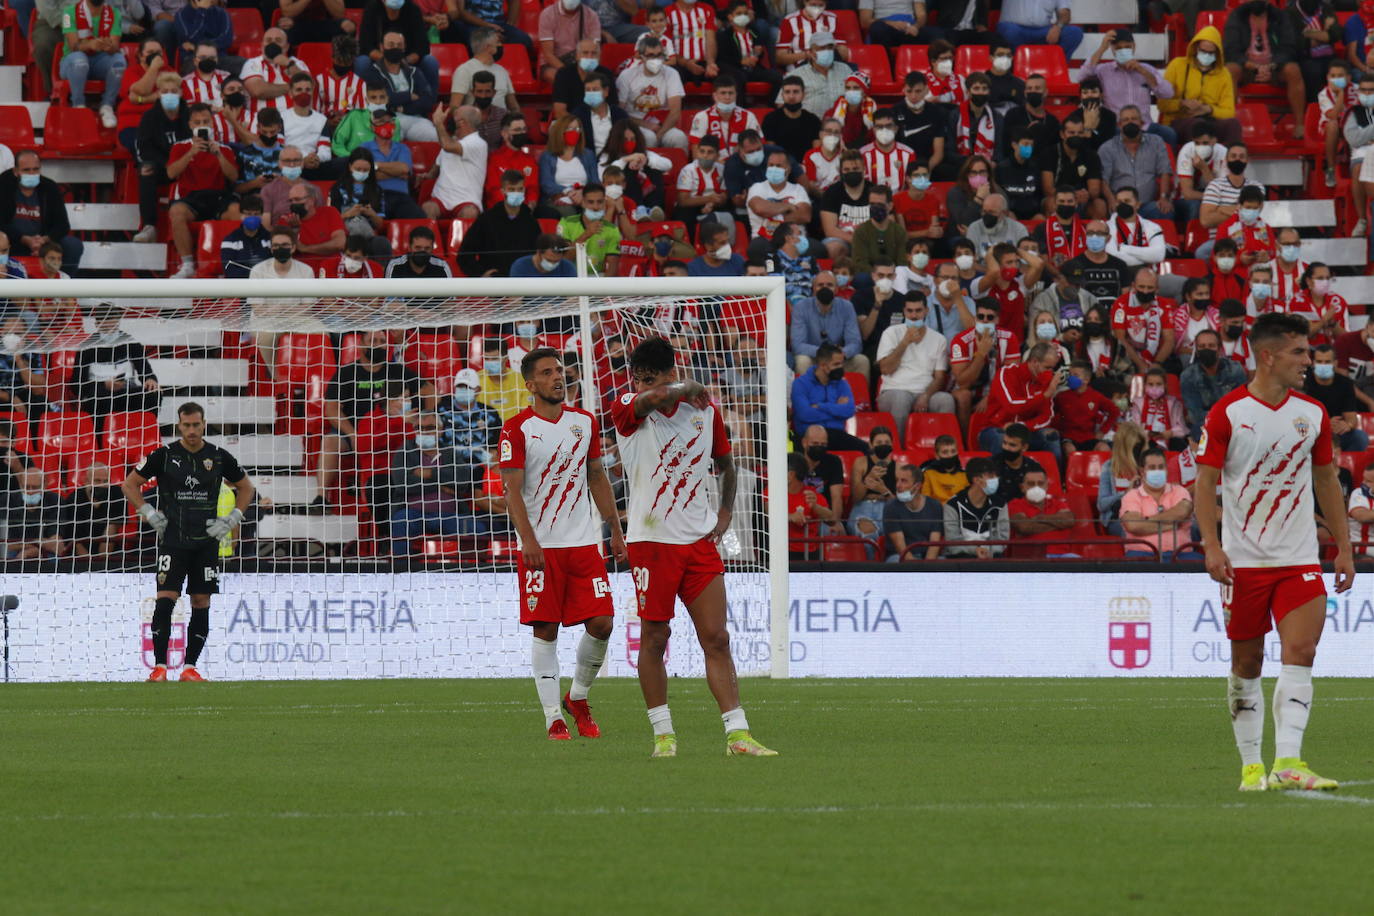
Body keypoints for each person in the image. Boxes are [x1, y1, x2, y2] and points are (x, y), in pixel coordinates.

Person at [1195, 311, 1354, 792]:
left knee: (1301, 650)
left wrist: (1344, 548)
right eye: (1298, 352)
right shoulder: (1228, 412)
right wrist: (1211, 544)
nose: (1308, 360)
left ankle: (1289, 762)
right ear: (1267, 356)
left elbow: (1326, 480)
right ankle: (1250, 766)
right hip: (1243, 561)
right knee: (1247, 665)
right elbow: (1204, 483)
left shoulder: (1313, 414)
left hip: (1300, 558)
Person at [609, 337, 774, 758]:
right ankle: (664, 735)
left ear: (668, 370)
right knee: (655, 636)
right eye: (638, 378)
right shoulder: (628, 406)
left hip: (699, 542)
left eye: (651, 377)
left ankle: (738, 735)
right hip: (652, 543)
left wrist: (723, 513)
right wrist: (684, 386)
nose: (643, 385)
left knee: (717, 638)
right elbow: (660, 398)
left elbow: (727, 465)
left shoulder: (705, 411)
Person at [498, 347, 625, 740]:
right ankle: (553, 716)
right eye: (548, 372)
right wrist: (529, 539)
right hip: (542, 548)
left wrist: (616, 529)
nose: (558, 377)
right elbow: (511, 490)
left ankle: (578, 697)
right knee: (546, 629)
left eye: (561, 371)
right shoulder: (516, 428)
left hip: (585, 545)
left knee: (603, 622)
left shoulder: (584, 422)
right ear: (530, 384)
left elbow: (596, 476)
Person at [122, 402, 254, 682]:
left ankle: (190, 668)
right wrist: (147, 511)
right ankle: (159, 667)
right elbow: (129, 484)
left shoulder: (218, 456)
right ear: (179, 425)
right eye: (186, 425)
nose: (191, 430)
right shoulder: (164, 455)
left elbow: (247, 487)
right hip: (173, 539)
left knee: (201, 600)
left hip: (206, 541)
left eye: (196, 425)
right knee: (166, 598)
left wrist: (232, 519)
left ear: (203, 423)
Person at [166, 103, 242, 278]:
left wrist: (219, 155)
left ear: (212, 124)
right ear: (190, 125)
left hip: (218, 197)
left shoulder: (224, 149)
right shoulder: (180, 147)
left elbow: (233, 177)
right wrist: (191, 153)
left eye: (206, 121)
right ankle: (187, 265)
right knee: (177, 211)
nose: (202, 125)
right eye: (197, 122)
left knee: (236, 211)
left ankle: (230, 263)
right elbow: (171, 173)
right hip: (191, 199)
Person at [1224, 0, 1306, 141]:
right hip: (1247, 67)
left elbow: (1290, 48)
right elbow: (1230, 50)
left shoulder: (1281, 16)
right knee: (1230, 70)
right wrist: (1251, 65)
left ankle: (1299, 124)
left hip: (1274, 66)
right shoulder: (1237, 16)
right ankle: (1230, 125)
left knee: (1293, 70)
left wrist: (1272, 65)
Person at [875, 294, 953, 435]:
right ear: (904, 311)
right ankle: (898, 450)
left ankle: (943, 450)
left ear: (926, 311)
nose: (914, 315)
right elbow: (885, 369)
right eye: (909, 311)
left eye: (918, 310)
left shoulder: (939, 339)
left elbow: (940, 377)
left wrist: (926, 396)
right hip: (893, 390)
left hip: (924, 391)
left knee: (946, 400)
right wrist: (905, 342)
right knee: (901, 399)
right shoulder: (891, 333)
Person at [73, 304, 161, 422]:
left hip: (126, 393)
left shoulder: (131, 344)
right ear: (97, 324)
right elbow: (77, 386)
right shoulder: (86, 348)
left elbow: (146, 372)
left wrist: (150, 380)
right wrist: (103, 385)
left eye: (113, 323)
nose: (110, 327)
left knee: (153, 394)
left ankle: (145, 431)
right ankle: (101, 438)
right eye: (105, 324)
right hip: (99, 397)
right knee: (101, 399)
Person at [1, 151, 84, 275]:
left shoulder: (50, 187)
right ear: (16, 171)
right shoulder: (3, 185)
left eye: (35, 169)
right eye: (26, 170)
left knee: (73, 246)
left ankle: (63, 288)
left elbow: (63, 225)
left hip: (43, 243)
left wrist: (44, 240)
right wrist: (24, 239)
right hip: (12, 241)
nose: (32, 174)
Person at [1159, 25, 1240, 146]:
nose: (1206, 55)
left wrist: (1208, 109)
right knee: (1197, 125)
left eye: (1211, 52)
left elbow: (1229, 112)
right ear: (1195, 48)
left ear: (1217, 53)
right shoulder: (1177, 65)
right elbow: (1162, 104)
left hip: (1210, 120)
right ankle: (1193, 162)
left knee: (1233, 125)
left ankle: (1229, 162)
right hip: (1179, 120)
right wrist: (1182, 104)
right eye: (1203, 51)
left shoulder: (1224, 74)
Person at [980, 341, 1065, 456]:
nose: (1050, 372)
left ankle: (1053, 474)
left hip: (1026, 432)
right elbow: (1012, 405)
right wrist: (1044, 395)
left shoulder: (1046, 380)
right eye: (1047, 367)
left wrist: (1022, 426)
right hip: (996, 428)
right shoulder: (1007, 373)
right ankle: (1001, 473)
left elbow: (1046, 416)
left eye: (1052, 368)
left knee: (1051, 437)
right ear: (1034, 362)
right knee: (1002, 438)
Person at [458, 169, 540, 278]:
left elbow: (539, 253)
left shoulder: (530, 220)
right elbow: (464, 255)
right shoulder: (486, 220)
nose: (516, 193)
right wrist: (481, 273)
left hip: (524, 281)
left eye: (520, 189)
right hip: (495, 283)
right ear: (503, 191)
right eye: (511, 189)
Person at [1098, 109, 1174, 224]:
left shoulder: (1156, 142)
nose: (1130, 122)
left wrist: (1163, 198)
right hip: (1120, 205)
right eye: (1126, 120)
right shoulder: (1107, 148)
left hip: (1147, 205)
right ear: (1119, 124)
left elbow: (1165, 171)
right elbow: (1103, 180)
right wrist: (1111, 201)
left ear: (1142, 122)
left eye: (1134, 119)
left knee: (1164, 210)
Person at [59, 0, 128, 128]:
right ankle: (78, 106)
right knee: (79, 59)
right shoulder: (69, 12)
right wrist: (90, 44)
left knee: (119, 61)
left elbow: (115, 45)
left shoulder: (114, 13)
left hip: (100, 61)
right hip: (72, 62)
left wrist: (108, 46)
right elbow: (73, 45)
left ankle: (107, 106)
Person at [790, 343, 869, 454]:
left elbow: (849, 410)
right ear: (823, 365)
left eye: (842, 363)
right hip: (809, 436)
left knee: (868, 450)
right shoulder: (801, 383)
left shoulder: (842, 383)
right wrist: (836, 408)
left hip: (836, 434)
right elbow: (804, 414)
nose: (840, 368)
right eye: (836, 364)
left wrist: (821, 406)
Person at [1119, 447, 1196, 560]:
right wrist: (1172, 524)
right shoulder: (1131, 496)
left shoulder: (1180, 491)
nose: (1157, 471)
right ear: (1142, 471)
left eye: (1161, 467)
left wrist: (1145, 521)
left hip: (1181, 554)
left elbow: (1182, 512)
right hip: (1142, 556)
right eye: (1152, 468)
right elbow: (1134, 526)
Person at [1304, 344, 1369, 452]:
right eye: (1319, 362)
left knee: (1359, 438)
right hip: (1312, 432)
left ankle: (1343, 467)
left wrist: (1347, 425)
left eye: (1327, 362)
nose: (1323, 365)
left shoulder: (1345, 383)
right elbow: (1299, 418)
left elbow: (1351, 417)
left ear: (1335, 363)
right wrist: (1325, 424)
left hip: (1337, 432)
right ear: (1313, 363)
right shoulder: (1304, 382)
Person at [942, 456, 1009, 558]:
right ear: (977, 480)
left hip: (991, 559)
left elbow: (1003, 539)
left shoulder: (1000, 505)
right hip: (960, 561)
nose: (996, 480)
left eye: (996, 476)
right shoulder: (953, 505)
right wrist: (975, 550)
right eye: (991, 476)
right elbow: (952, 543)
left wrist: (988, 550)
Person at [1052, 359, 1119, 453]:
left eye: (1075, 375)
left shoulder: (1095, 396)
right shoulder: (1061, 396)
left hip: (1089, 437)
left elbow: (1114, 411)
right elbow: (1051, 414)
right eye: (1070, 374)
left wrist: (1102, 431)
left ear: (1086, 380)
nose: (1071, 378)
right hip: (1068, 438)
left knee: (1104, 448)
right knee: (1069, 449)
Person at [883, 464, 944, 562]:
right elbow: (902, 549)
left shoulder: (935, 505)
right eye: (897, 480)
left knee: (945, 564)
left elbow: (934, 543)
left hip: (927, 557)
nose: (898, 485)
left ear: (917, 486)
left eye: (903, 481)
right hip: (900, 556)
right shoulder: (891, 507)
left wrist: (927, 566)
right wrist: (919, 569)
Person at [556, 183, 620, 276]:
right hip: (570, 276)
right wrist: (586, 235)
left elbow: (612, 267)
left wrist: (604, 289)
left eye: (600, 202)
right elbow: (564, 260)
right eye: (590, 202)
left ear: (604, 203)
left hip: (598, 278)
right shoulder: (566, 223)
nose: (595, 207)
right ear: (583, 203)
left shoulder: (612, 229)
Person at [1175, 120, 1227, 227]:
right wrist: (1212, 198)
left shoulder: (1223, 153)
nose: (1200, 147)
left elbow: (1222, 191)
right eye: (1197, 143)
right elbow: (1188, 194)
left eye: (1205, 143)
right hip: (1186, 199)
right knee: (1195, 205)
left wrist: (1204, 169)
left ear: (1214, 141)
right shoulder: (1187, 151)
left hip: (1212, 194)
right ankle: (1192, 240)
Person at [538, 0, 601, 84]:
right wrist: (570, 72)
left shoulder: (591, 15)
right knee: (560, 77)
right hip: (554, 64)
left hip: (581, 61)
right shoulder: (547, 14)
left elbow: (595, 49)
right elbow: (548, 54)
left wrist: (585, 69)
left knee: (599, 78)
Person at [995, 0, 1082, 57]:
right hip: (1015, 29)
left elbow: (1065, 14)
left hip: (1043, 32)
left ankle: (1054, 66)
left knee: (1074, 32)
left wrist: (1057, 27)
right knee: (1011, 31)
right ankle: (1015, 68)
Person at [385, 225, 451, 278]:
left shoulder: (441, 266)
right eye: (418, 248)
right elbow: (389, 292)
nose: (422, 251)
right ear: (409, 248)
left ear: (432, 249)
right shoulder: (395, 265)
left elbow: (450, 293)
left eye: (427, 248)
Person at [510, 233, 577, 279]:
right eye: (549, 260)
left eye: (556, 261)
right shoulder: (520, 266)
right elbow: (516, 298)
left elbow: (573, 298)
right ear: (538, 252)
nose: (552, 264)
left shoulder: (568, 267)